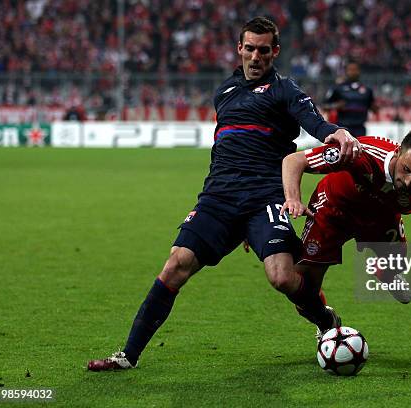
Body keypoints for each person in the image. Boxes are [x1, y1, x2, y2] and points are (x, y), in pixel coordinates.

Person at [87, 16, 360, 371]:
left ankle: (325, 321)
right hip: (219, 197)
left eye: (264, 50)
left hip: (264, 196)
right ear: (239, 49)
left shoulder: (285, 89)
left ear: (274, 52)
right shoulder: (225, 92)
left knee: (282, 277)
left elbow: (314, 122)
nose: (256, 56)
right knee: (175, 266)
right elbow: (224, 147)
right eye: (250, 49)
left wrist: (334, 132)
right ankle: (127, 356)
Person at [280, 127, 411, 320]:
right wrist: (293, 199)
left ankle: (385, 273)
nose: (408, 182)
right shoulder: (361, 152)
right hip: (333, 210)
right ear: (397, 152)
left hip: (381, 217)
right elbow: (294, 160)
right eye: (406, 169)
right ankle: (327, 323)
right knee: (304, 287)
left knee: (397, 262)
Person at [324, 61, 378, 137]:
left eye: (355, 69)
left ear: (359, 71)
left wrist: (375, 107)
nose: (353, 72)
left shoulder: (367, 90)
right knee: (344, 148)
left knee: (359, 148)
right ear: (346, 72)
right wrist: (336, 106)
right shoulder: (338, 88)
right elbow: (325, 106)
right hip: (342, 128)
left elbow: (373, 108)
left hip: (360, 128)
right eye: (351, 70)